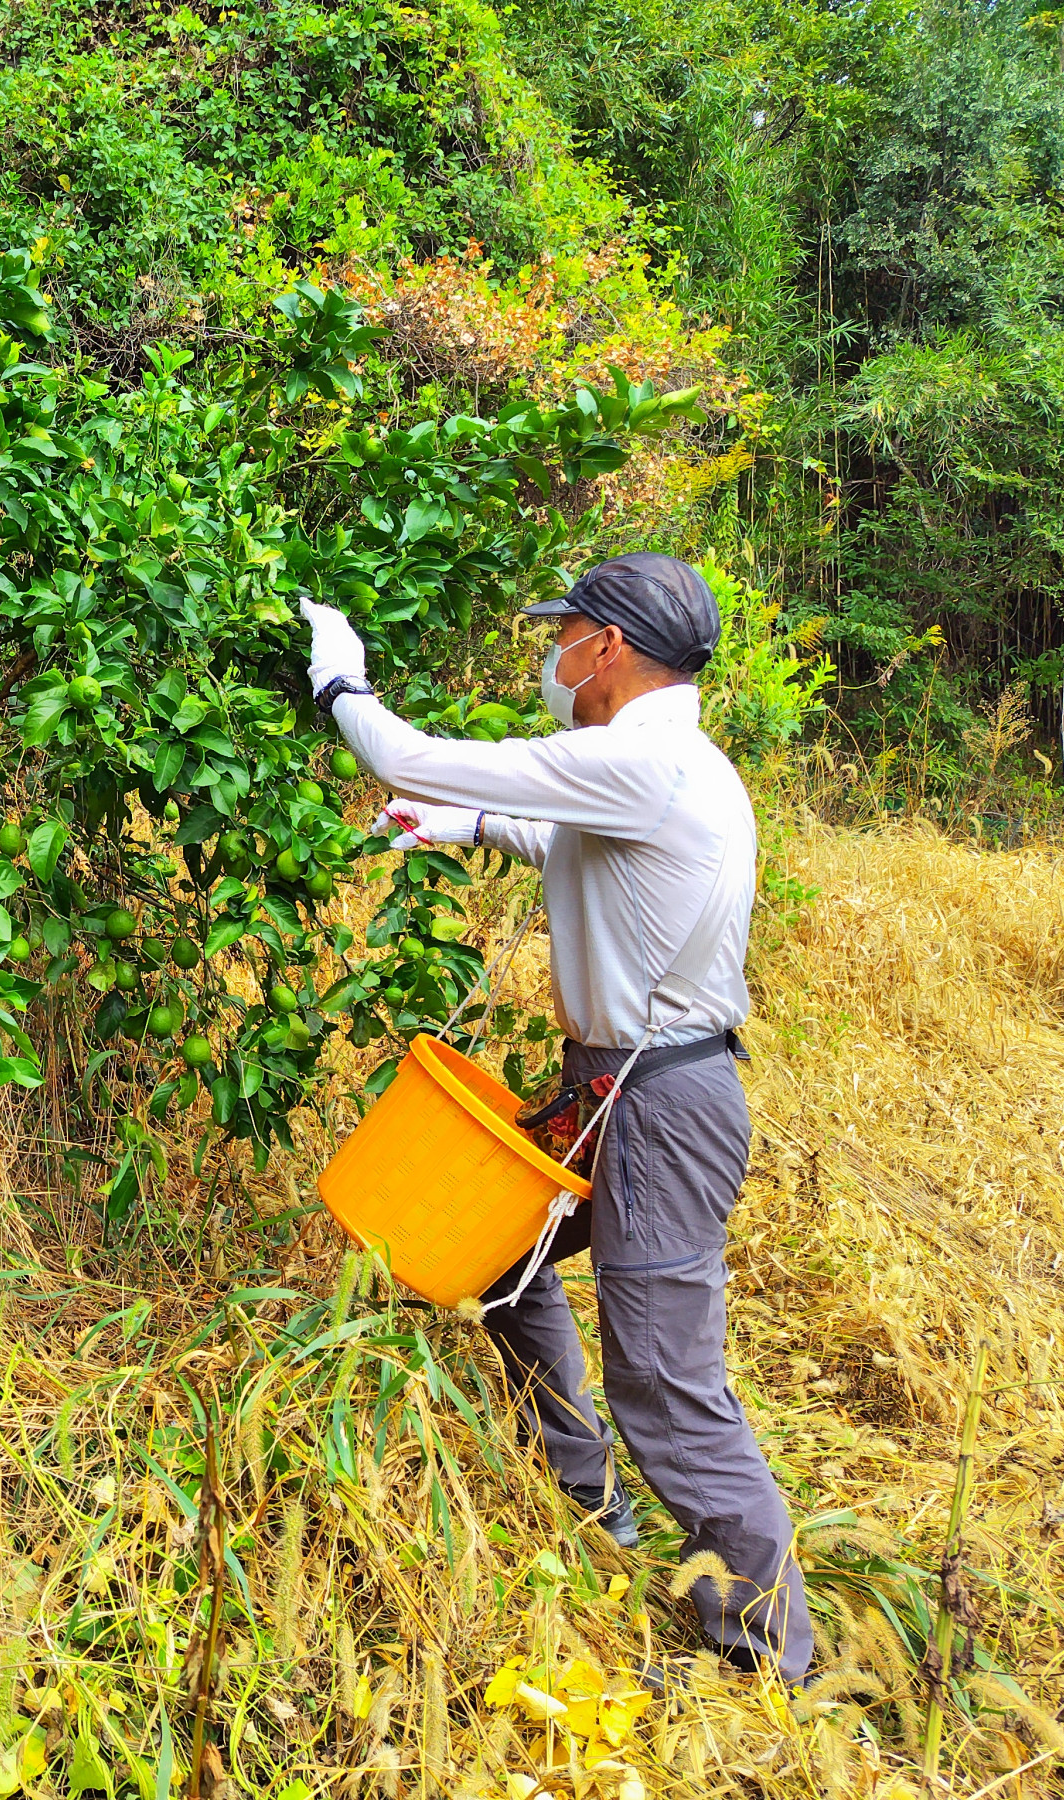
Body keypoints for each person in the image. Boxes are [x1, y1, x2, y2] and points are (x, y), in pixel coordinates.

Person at [301, 555, 813, 1687]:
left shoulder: (646, 756)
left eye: (566, 632)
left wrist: (344, 683)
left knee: (668, 1385)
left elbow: (410, 750)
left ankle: (769, 1665)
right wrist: (463, 827)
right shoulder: (668, 765)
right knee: (503, 1260)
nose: (556, 654)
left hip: (660, 1106)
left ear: (611, 648)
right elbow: (574, 845)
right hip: (619, 1084)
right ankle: (588, 1498)